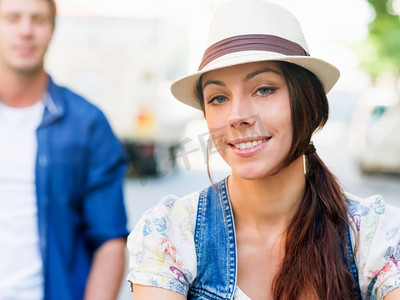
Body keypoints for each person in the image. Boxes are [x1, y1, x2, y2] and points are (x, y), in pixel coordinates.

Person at [127, 0, 400, 299]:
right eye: (218, 98)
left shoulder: (375, 234)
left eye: (264, 89)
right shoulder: (171, 232)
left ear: (307, 102)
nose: (237, 116)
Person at [0, 0, 129, 299]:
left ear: (53, 28)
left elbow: (110, 240)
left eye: (38, 19)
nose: (25, 31)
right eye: (12, 18)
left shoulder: (88, 124)